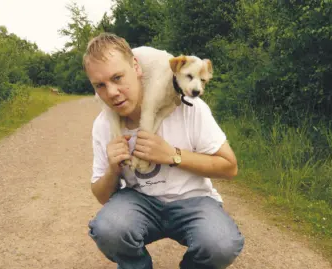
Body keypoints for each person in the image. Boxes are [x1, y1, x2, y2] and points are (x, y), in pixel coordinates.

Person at [84, 32, 245, 269]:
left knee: (221, 244)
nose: (112, 92)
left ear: (136, 67)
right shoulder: (104, 125)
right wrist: (112, 170)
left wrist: (173, 155)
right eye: (101, 85)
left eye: (118, 77)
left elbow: (229, 167)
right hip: (139, 201)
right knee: (107, 228)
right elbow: (101, 196)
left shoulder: (189, 108)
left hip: (194, 200)